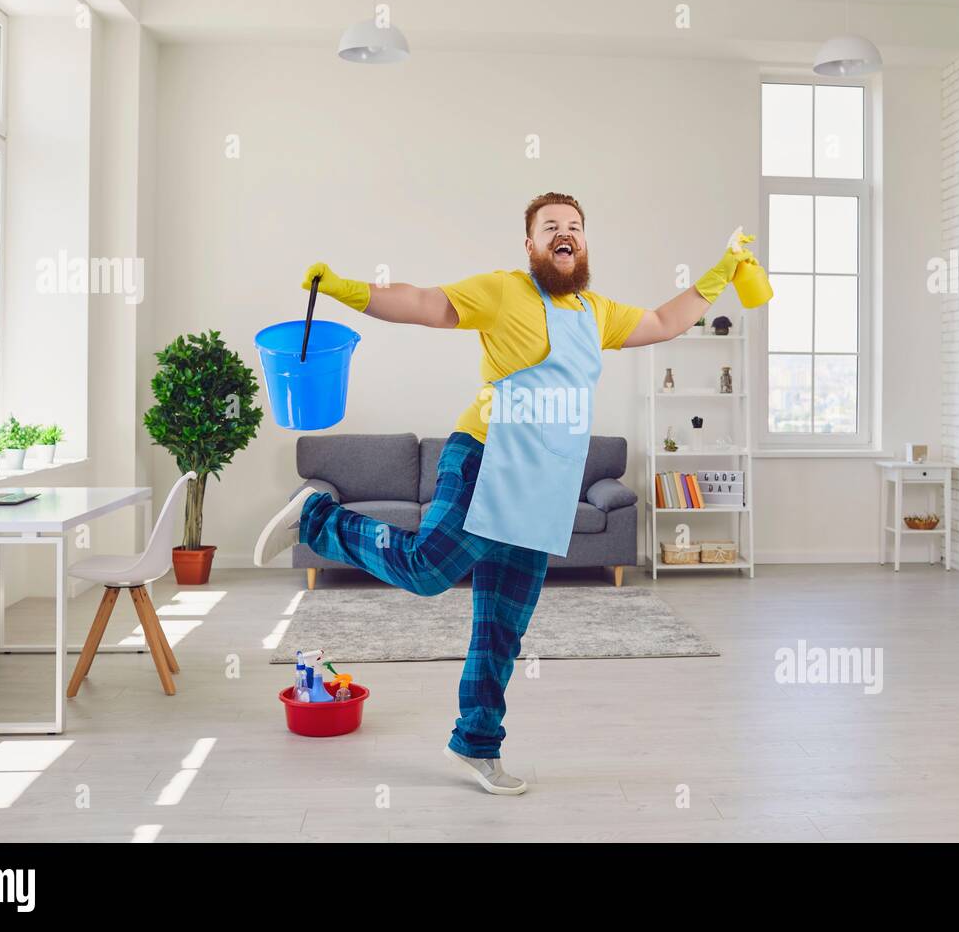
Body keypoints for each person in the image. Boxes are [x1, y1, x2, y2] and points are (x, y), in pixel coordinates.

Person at [255, 191, 755, 795]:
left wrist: (722, 270)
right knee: (427, 568)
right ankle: (318, 517)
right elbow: (423, 304)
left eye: (574, 227)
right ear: (530, 244)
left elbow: (664, 322)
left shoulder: (598, 313)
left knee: (501, 625)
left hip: (543, 485)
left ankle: (476, 744)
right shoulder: (504, 291)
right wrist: (346, 288)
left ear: (585, 243)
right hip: (485, 457)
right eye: (550, 227)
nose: (564, 234)